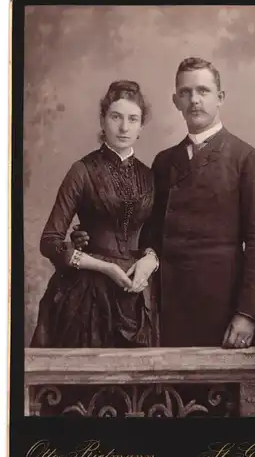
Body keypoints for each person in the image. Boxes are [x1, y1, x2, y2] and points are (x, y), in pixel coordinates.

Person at [72, 57, 255, 350]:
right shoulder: (165, 162)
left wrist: (247, 313)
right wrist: (91, 233)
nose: (194, 100)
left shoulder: (247, 160)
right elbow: (147, 230)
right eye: (185, 93)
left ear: (220, 98)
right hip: (166, 307)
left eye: (203, 91)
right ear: (175, 100)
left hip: (223, 310)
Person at [30, 80, 159, 349]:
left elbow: (155, 236)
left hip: (136, 294)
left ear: (141, 126)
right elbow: (50, 241)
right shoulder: (82, 170)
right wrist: (105, 267)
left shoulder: (149, 176)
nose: (124, 127)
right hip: (88, 296)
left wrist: (150, 259)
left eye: (132, 119)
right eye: (116, 117)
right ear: (103, 121)